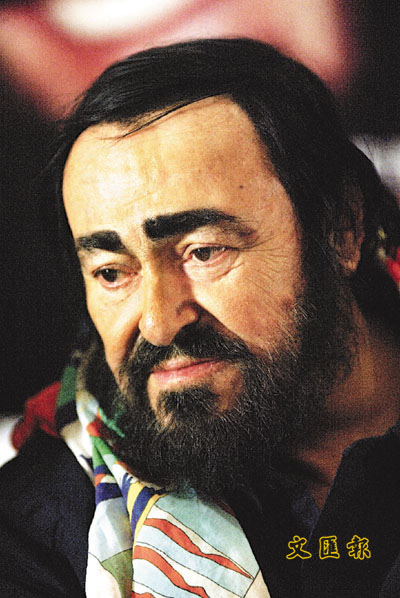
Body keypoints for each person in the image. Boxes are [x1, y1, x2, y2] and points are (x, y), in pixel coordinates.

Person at [1, 38, 400, 598]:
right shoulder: (35, 532)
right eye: (112, 273)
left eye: (204, 252)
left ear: (342, 228)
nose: (159, 323)